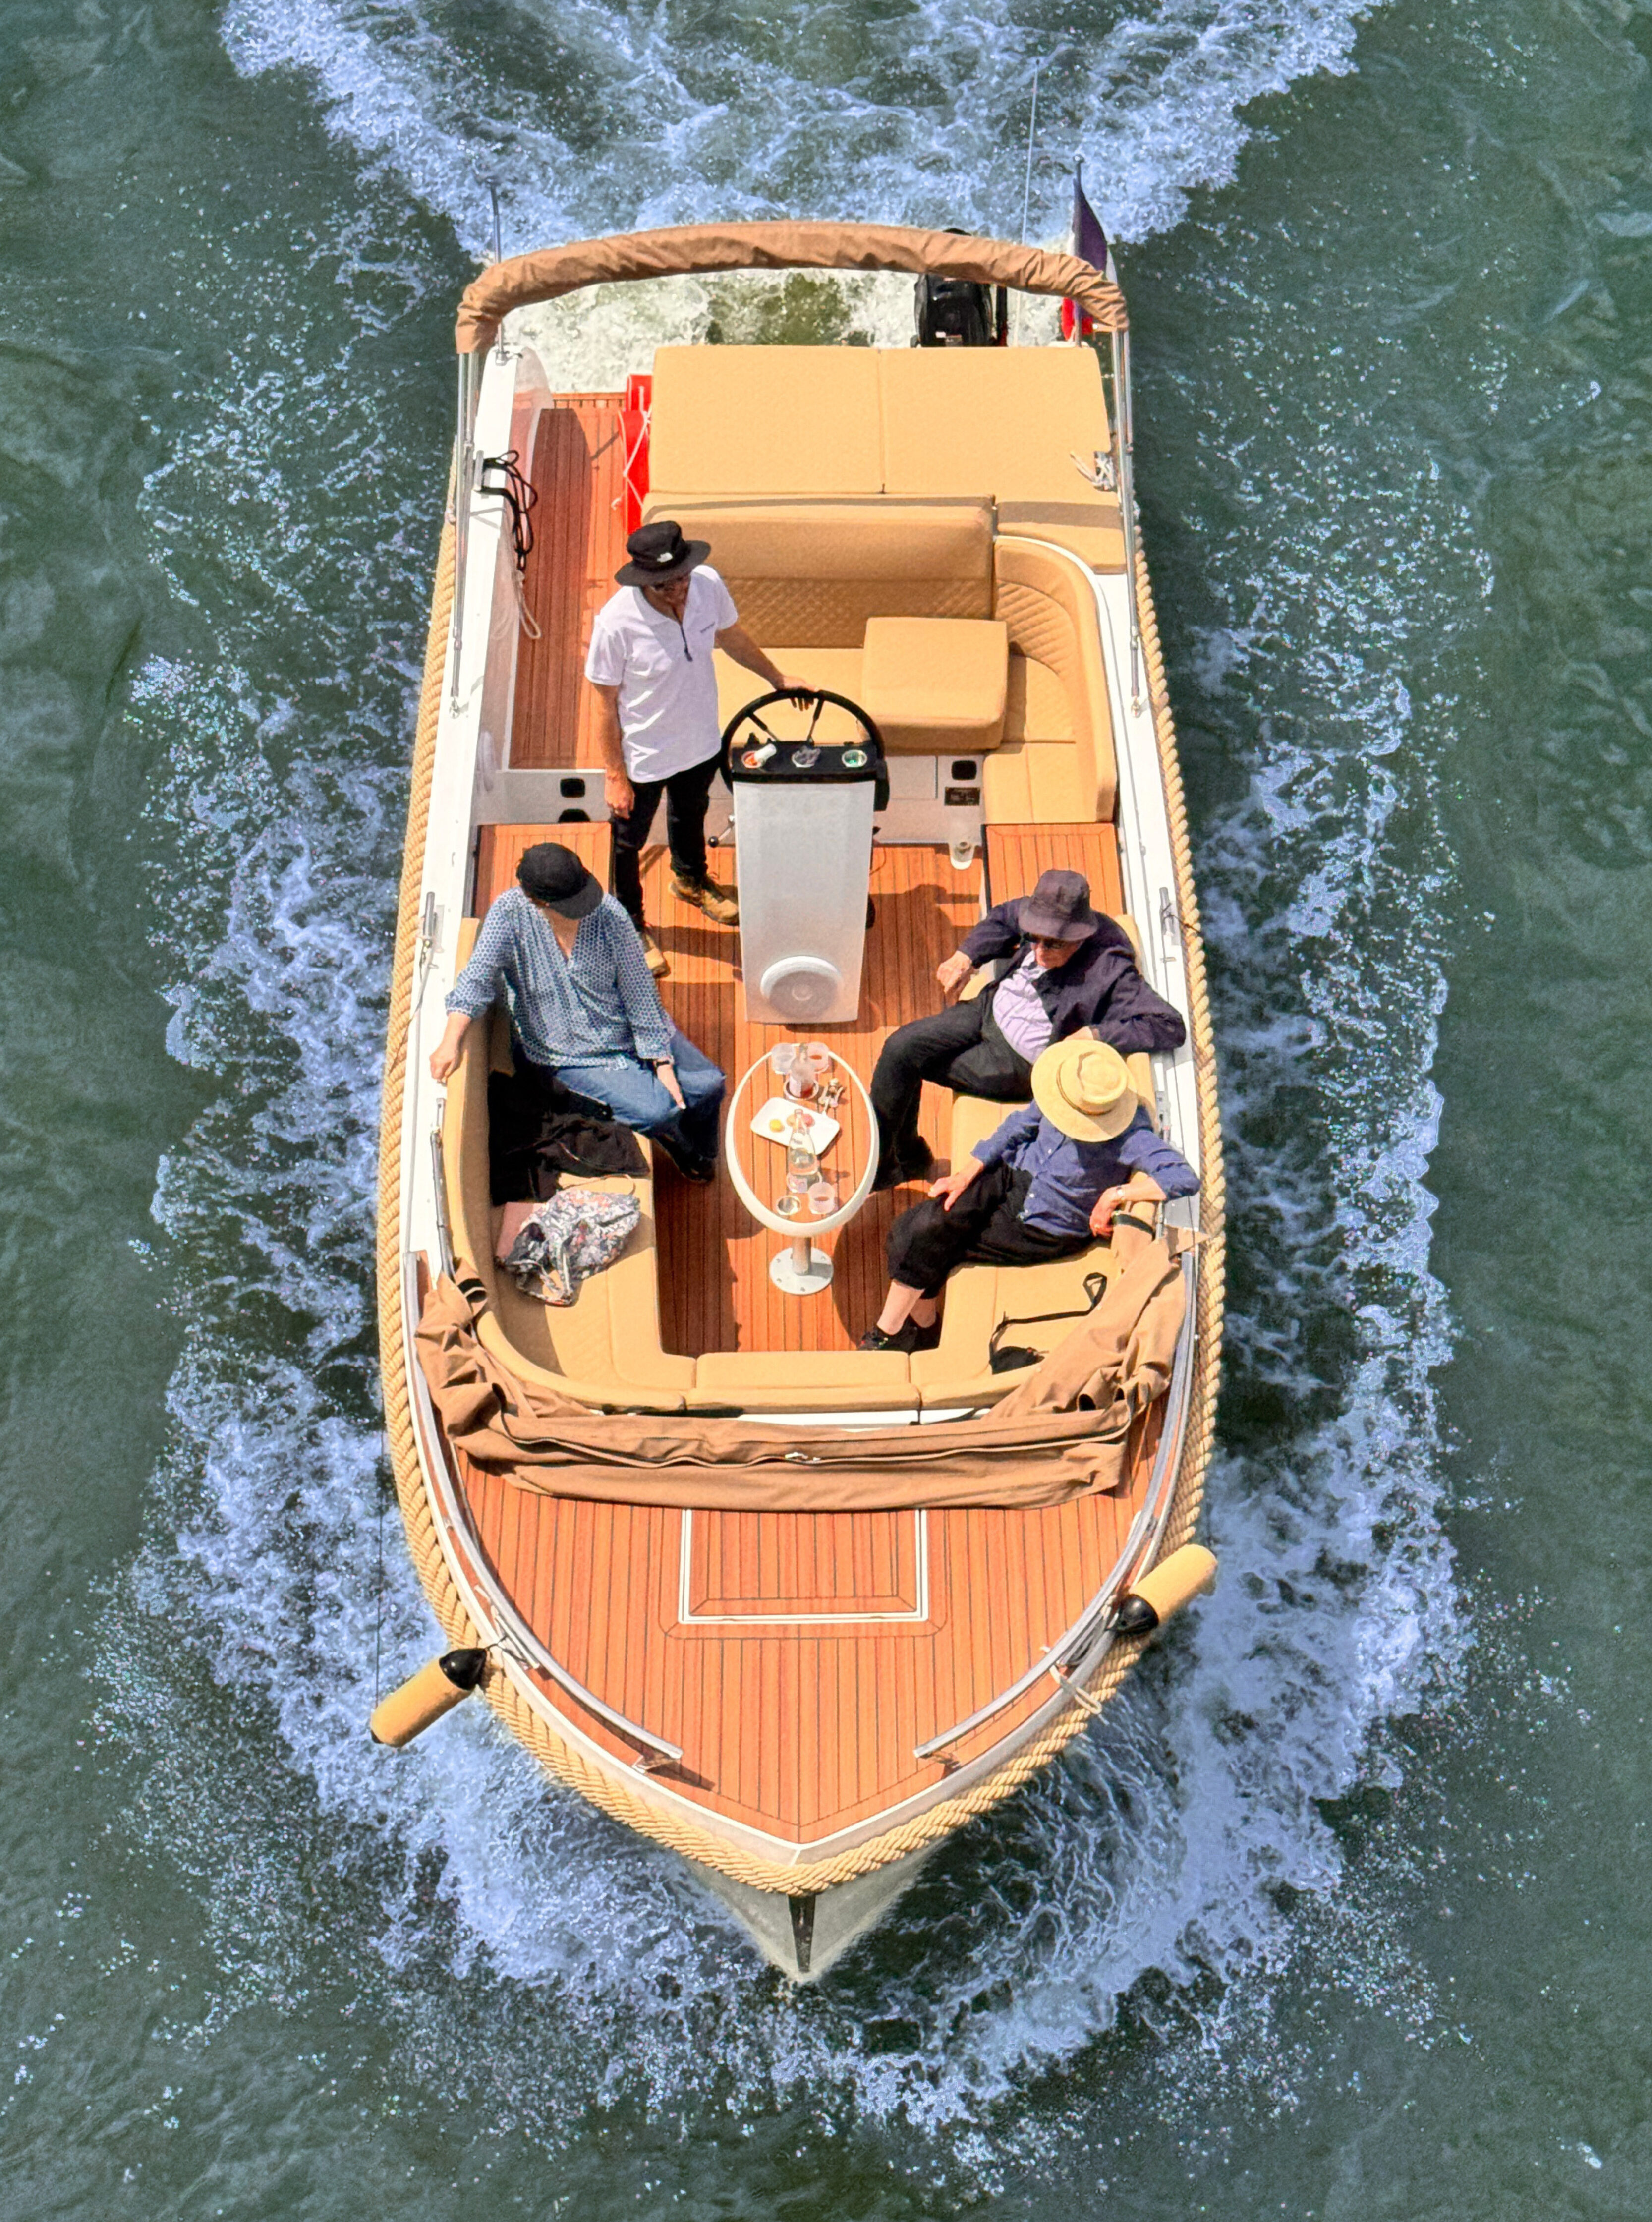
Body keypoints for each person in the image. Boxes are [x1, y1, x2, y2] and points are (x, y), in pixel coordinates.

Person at [860, 1037, 1197, 1352]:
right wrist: (967, 1173)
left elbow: (1183, 1178)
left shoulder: (1131, 1135)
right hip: (1012, 1172)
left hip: (1044, 1223)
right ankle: (912, 1330)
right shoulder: (1068, 1091)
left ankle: (897, 1332)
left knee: (915, 1236)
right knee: (928, 1226)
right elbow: (1018, 1126)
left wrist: (1115, 1194)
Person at [870, 866, 1186, 1190]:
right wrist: (966, 956)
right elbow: (1003, 917)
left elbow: (1169, 1025)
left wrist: (1095, 1034)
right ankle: (901, 1159)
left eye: (1053, 944)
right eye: (1034, 938)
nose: (1038, 951)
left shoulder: (1111, 968)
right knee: (899, 1048)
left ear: (1079, 936)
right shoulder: (1042, 914)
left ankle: (897, 1164)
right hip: (987, 1009)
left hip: (1015, 1062)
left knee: (906, 1063)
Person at [428, 841, 725, 1183]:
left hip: (625, 1029)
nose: (587, 907)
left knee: (708, 1085)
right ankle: (675, 1139)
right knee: (658, 1112)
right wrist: (450, 1042)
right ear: (538, 901)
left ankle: (696, 1145)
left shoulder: (610, 914)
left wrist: (661, 1060)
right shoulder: (508, 915)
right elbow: (476, 979)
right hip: (565, 1054)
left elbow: (640, 991)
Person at [586, 518, 803, 978]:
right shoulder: (615, 624)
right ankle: (629, 924)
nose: (678, 590)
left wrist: (778, 678)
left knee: (690, 814)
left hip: (701, 739)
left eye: (681, 577)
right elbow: (604, 704)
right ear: (642, 581)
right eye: (664, 585)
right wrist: (615, 774)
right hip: (644, 754)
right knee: (627, 843)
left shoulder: (707, 584)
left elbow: (732, 637)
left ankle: (690, 880)